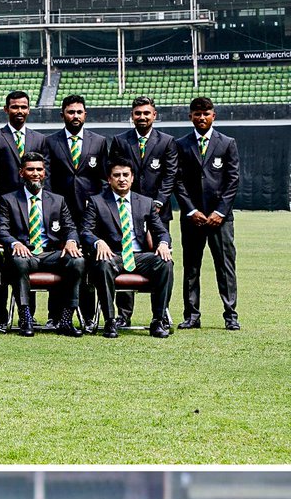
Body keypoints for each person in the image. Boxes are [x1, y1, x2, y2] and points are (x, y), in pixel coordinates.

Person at [0, 153, 85, 336]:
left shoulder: (57, 200)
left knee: (77, 261)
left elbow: (70, 227)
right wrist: (14, 243)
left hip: (51, 254)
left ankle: (66, 319)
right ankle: (26, 317)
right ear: (21, 172)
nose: (35, 173)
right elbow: (1, 230)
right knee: (18, 261)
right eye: (30, 169)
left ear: (44, 173)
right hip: (25, 254)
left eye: (39, 169)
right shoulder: (8, 200)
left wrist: (71, 241)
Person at [81, 162, 174, 339]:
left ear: (132, 178)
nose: (121, 179)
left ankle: (158, 321)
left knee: (165, 263)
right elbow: (85, 231)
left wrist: (163, 243)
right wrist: (98, 241)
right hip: (112, 255)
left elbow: (161, 230)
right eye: (117, 175)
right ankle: (110, 321)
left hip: (138, 256)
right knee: (103, 264)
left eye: (125, 175)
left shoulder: (146, 202)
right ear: (109, 179)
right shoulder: (97, 201)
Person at [108, 98, 177, 327]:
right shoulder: (120, 141)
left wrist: (156, 202)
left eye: (147, 113)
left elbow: (169, 176)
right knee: (126, 253)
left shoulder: (166, 142)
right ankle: (124, 315)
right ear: (132, 115)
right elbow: (117, 172)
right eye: (138, 113)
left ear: (154, 115)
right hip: (124, 211)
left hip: (157, 211)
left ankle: (160, 314)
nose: (142, 117)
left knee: (162, 258)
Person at [174, 97, 241, 331]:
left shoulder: (227, 143)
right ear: (190, 116)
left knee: (225, 266)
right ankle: (192, 315)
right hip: (193, 219)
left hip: (220, 220)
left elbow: (232, 180)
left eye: (206, 113)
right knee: (191, 267)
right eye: (197, 114)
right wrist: (191, 210)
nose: (201, 117)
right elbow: (177, 181)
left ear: (214, 116)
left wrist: (220, 212)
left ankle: (231, 315)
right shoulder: (181, 144)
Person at [45, 95, 109, 329]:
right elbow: (47, 179)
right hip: (59, 216)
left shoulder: (99, 142)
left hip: (89, 215)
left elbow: (104, 179)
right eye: (70, 112)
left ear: (85, 115)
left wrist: (99, 207)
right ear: (62, 114)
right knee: (61, 260)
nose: (75, 116)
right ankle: (55, 316)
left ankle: (88, 316)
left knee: (90, 263)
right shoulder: (50, 142)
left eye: (79, 112)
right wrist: (52, 208)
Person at [0, 90, 49, 214]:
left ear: (28, 110)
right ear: (6, 109)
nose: (19, 111)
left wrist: (46, 201)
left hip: (33, 200)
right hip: (4, 202)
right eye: (15, 107)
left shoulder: (39, 139)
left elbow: (46, 173)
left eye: (23, 107)